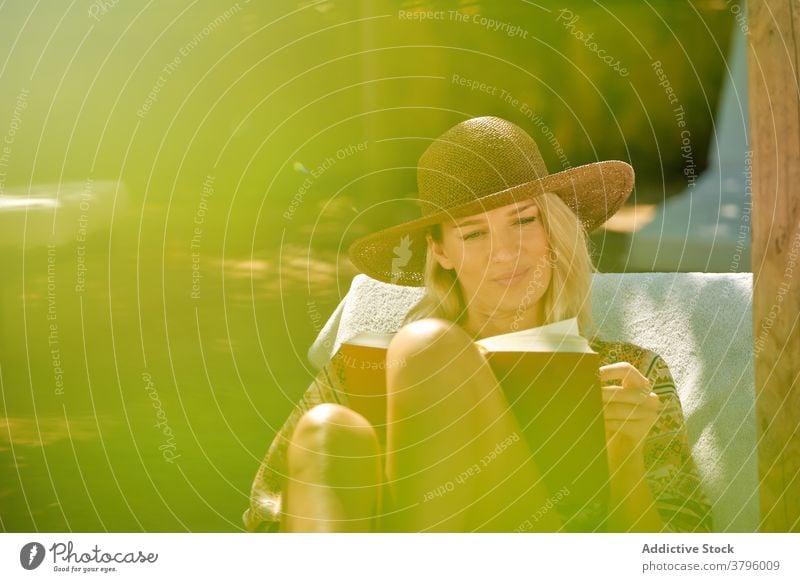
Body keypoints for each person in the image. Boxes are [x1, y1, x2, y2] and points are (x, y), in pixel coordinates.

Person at [244, 116, 713, 533]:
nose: (506, 252)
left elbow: (674, 555)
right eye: (472, 233)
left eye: (524, 221)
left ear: (555, 229)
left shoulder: (626, 374)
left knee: (430, 346)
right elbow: (268, 521)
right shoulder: (364, 367)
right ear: (440, 252)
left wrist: (624, 457)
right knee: (330, 431)